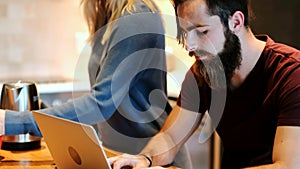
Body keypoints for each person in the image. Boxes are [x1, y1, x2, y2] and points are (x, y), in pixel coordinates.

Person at [0, 0, 192, 168]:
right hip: (117, 157)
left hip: (151, 159)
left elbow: (100, 104)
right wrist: (40, 113)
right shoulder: (107, 16)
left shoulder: (137, 17)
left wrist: (14, 121)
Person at [109, 0, 300, 168]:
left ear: (236, 22)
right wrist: (144, 159)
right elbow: (170, 138)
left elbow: (287, 166)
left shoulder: (292, 74)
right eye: (186, 32)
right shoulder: (203, 73)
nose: (190, 46)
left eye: (202, 31)